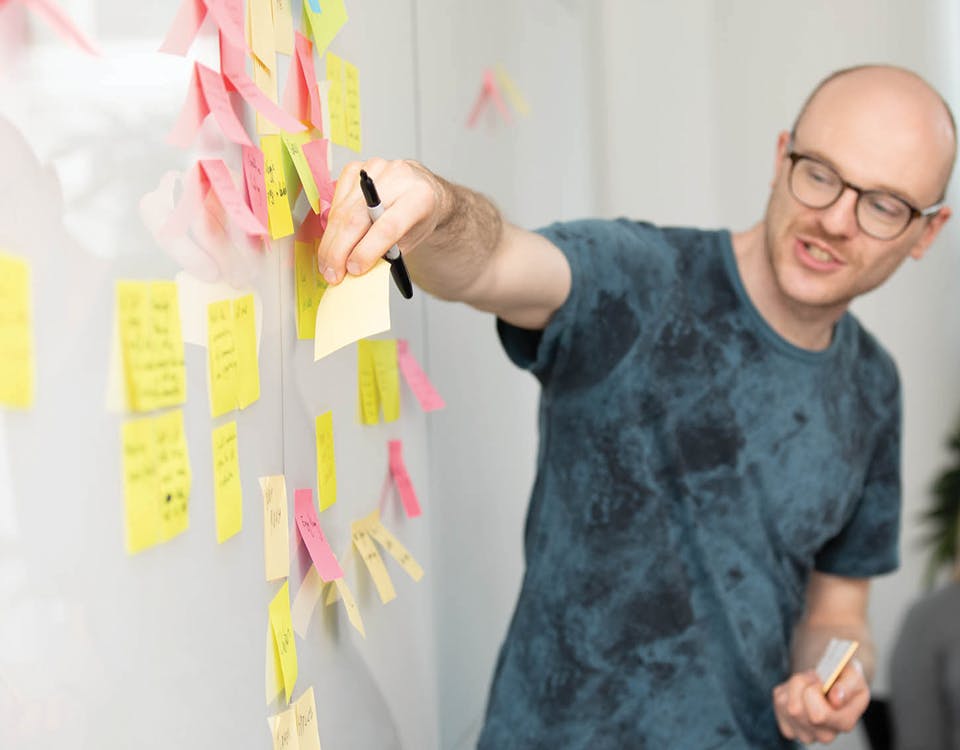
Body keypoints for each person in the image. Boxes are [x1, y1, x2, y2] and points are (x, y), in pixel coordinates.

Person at [317, 65, 956, 748]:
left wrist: (836, 675)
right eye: (820, 173)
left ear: (925, 232)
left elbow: (839, 609)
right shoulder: (638, 278)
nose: (834, 219)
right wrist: (436, 207)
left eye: (883, 205)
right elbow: (492, 265)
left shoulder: (873, 387)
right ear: (781, 158)